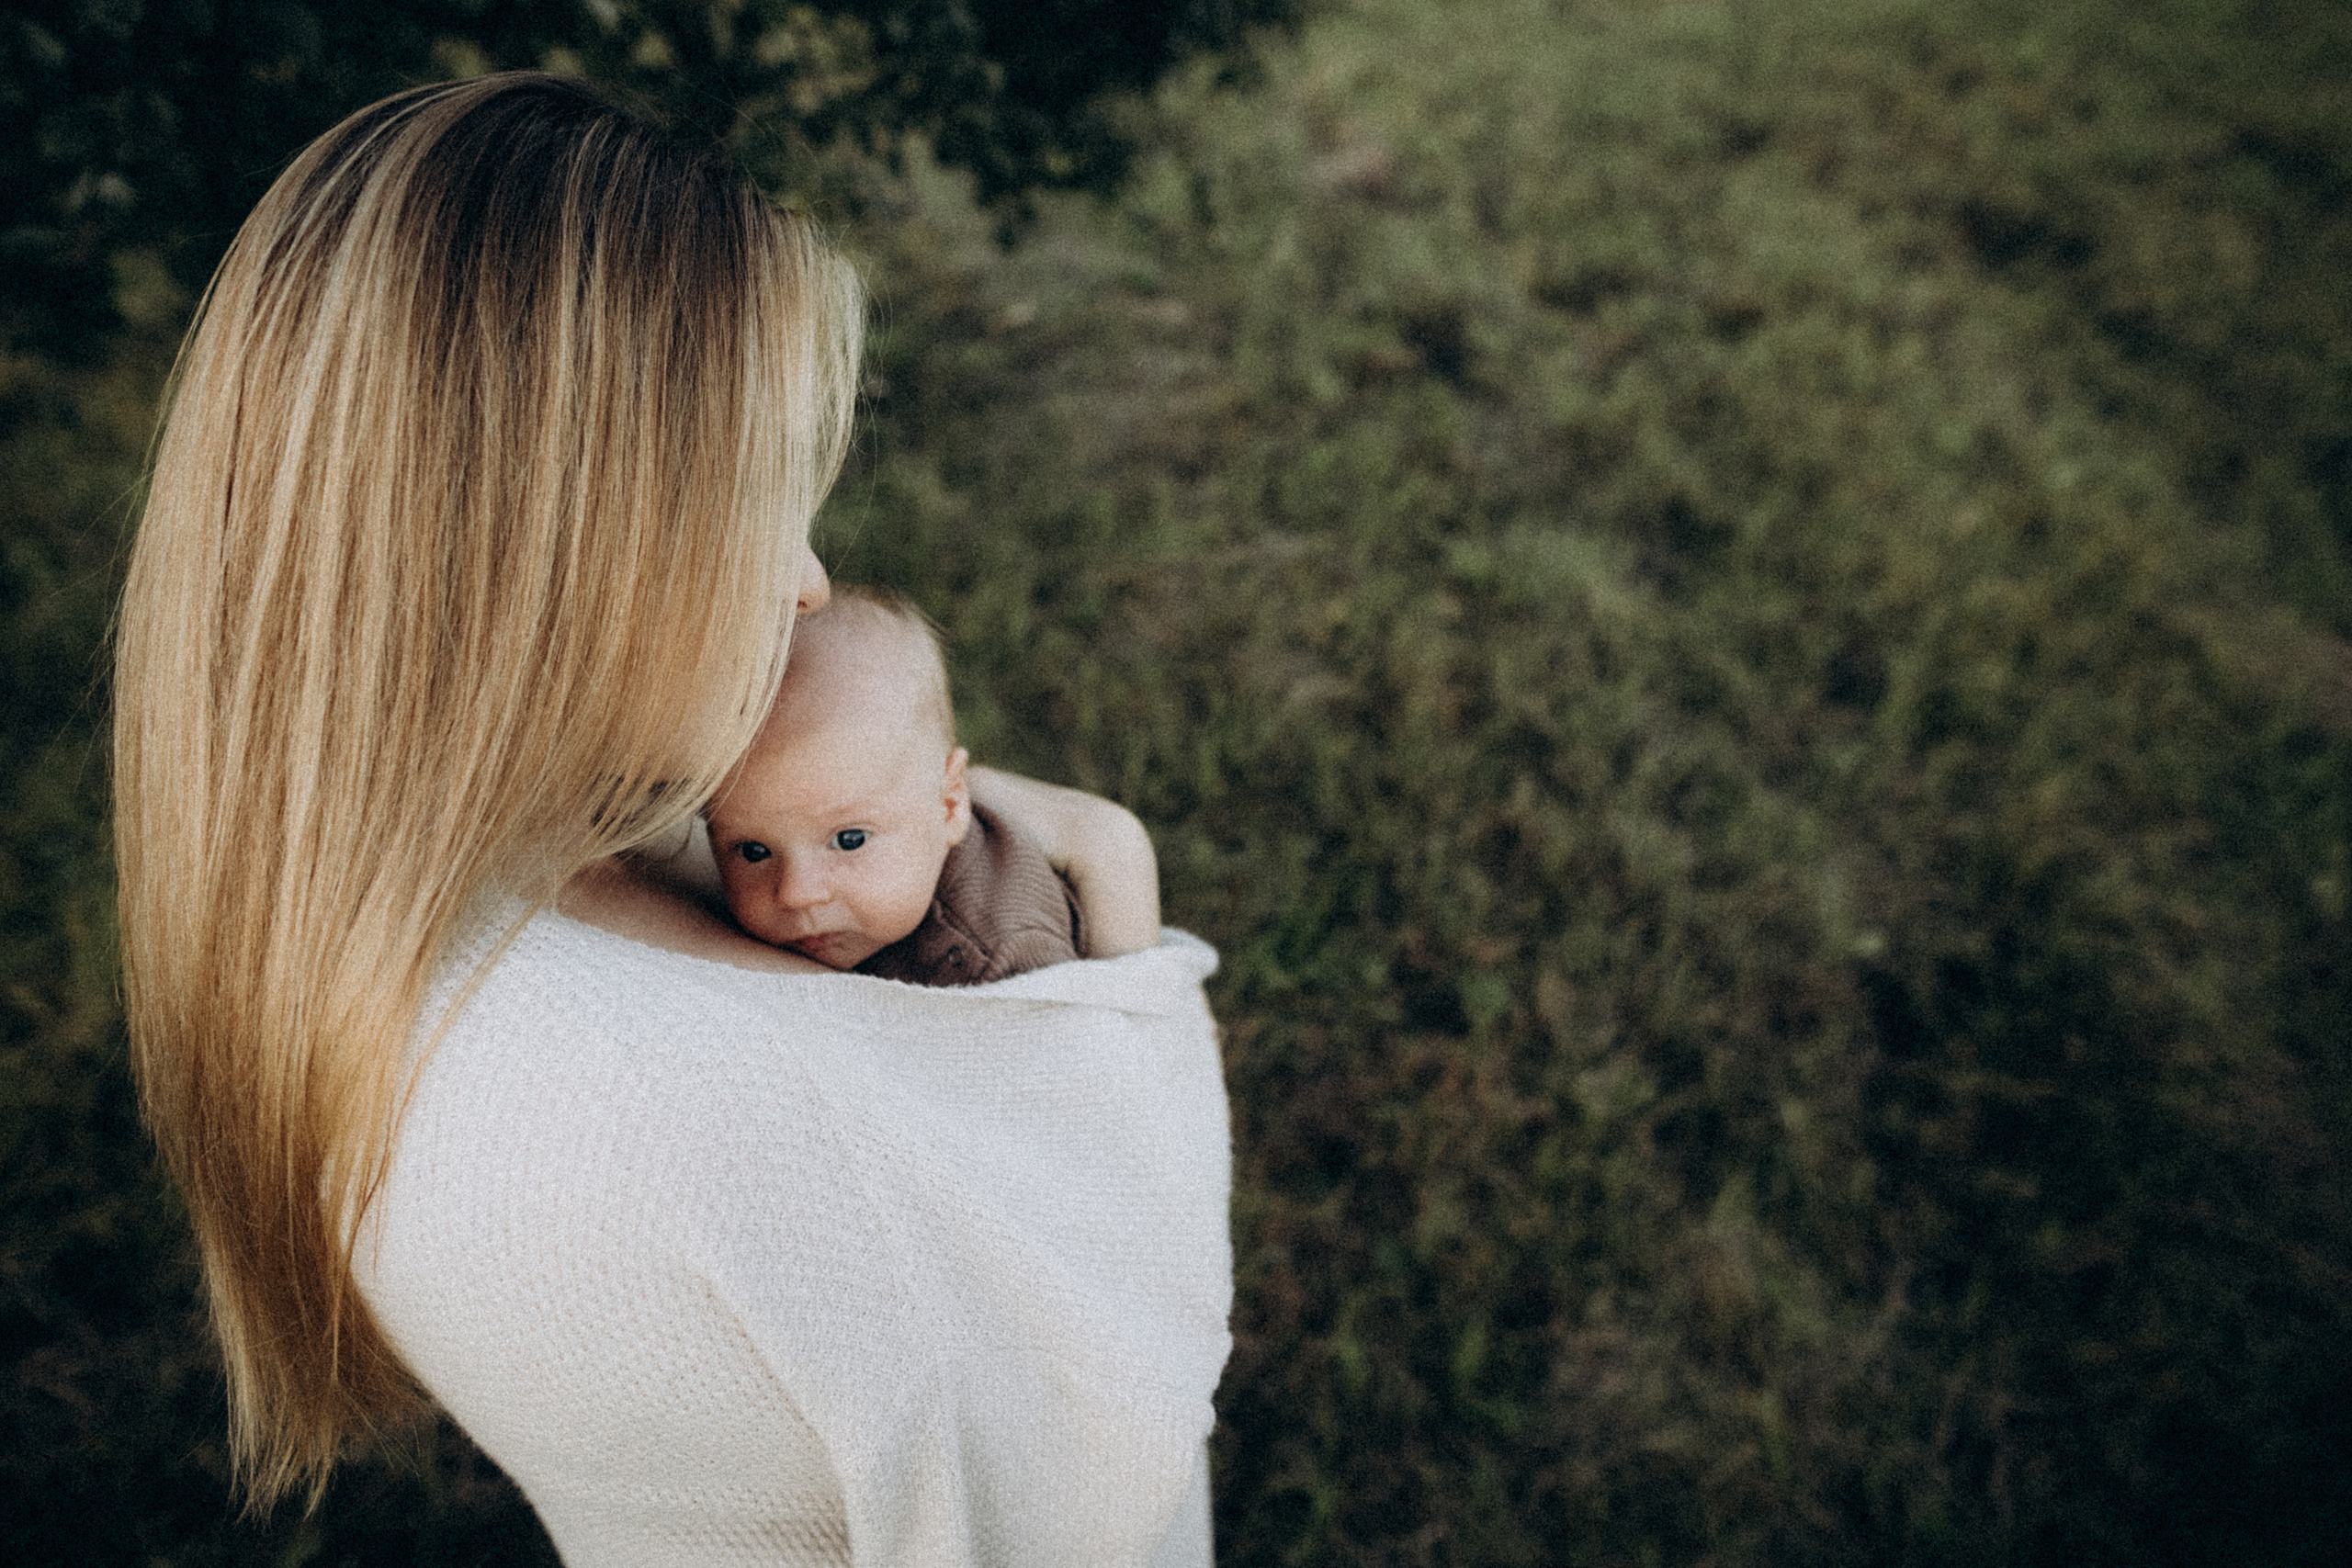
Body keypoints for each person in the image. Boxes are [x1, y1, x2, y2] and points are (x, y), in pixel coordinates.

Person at [113, 71, 1230, 1566]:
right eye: (756, 501)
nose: (810, 581)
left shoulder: (393, 922)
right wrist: (1114, 888)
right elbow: (1127, 1413)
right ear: (544, 559)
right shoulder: (727, 1124)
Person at [701, 586, 1155, 985]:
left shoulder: (997, 966)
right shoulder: (872, 882)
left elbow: (1082, 1071)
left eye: (849, 840)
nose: (796, 892)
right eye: (753, 851)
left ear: (950, 805)